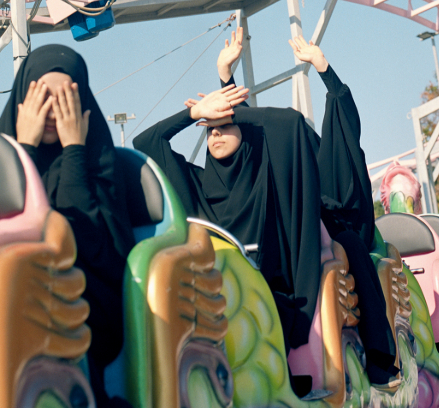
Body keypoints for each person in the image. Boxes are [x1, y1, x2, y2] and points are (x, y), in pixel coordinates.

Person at [217, 29, 398, 387]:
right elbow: (248, 131)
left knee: (351, 246)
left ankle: (379, 356)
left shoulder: (320, 156)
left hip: (333, 222)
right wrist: (226, 76)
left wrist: (324, 68)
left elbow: (345, 123)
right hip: (292, 227)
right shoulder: (279, 169)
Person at [131, 62, 323, 388]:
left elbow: (290, 124)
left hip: (268, 301)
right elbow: (145, 142)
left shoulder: (267, 181)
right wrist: (193, 114)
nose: (215, 133)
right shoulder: (195, 185)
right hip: (209, 303)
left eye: (224, 126)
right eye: (209, 129)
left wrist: (233, 111)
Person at [0, 45, 135, 408]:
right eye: (41, 96)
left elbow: (88, 244)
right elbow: (0, 230)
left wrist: (74, 149)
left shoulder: (99, 160)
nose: (53, 112)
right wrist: (21, 150)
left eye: (65, 99)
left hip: (84, 298)